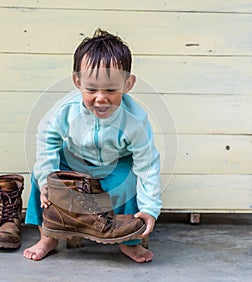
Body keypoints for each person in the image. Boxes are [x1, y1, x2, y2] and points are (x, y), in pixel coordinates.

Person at [23, 28, 162, 263]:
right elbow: (48, 139)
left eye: (111, 90)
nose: (100, 98)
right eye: (91, 89)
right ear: (78, 82)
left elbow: (147, 164)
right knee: (39, 177)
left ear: (128, 84)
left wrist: (150, 208)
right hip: (75, 158)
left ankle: (128, 241)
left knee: (130, 179)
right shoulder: (64, 111)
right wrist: (47, 178)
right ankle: (48, 234)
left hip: (114, 162)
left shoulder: (134, 120)